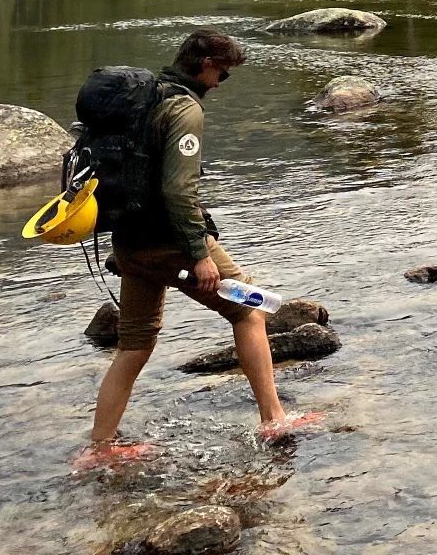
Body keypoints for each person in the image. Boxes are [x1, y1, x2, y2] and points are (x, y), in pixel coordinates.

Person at [77, 30, 316, 468]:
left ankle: (99, 448)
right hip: (173, 241)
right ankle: (274, 419)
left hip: (129, 242)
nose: (223, 81)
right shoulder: (183, 108)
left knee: (134, 343)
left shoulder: (142, 101)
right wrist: (199, 254)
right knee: (251, 309)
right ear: (206, 65)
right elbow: (178, 191)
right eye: (224, 72)